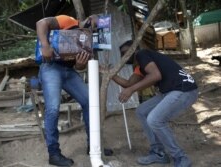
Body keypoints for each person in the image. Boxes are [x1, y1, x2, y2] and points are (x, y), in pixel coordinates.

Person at [36, 15, 112, 167]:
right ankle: (54, 154)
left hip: (69, 71)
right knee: (52, 108)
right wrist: (45, 45)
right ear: (89, 19)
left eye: (97, 30)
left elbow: (79, 67)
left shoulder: (89, 41)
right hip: (51, 67)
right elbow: (41, 22)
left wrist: (80, 64)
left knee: (90, 102)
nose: (94, 30)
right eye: (94, 26)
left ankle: (93, 146)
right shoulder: (68, 21)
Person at [112, 40, 198, 167]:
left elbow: (155, 75)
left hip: (184, 89)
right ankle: (159, 153)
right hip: (170, 91)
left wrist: (131, 90)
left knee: (154, 120)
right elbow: (129, 84)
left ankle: (180, 157)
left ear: (134, 50)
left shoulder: (142, 54)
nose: (123, 57)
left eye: (125, 53)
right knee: (142, 111)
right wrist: (109, 74)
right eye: (122, 54)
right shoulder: (140, 66)